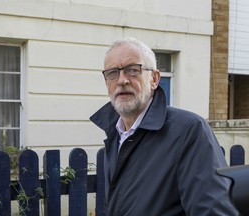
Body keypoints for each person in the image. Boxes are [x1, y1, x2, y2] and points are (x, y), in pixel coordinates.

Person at [90, 37, 239, 215]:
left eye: (132, 70)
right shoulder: (116, 135)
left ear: (154, 79)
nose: (122, 80)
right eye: (113, 73)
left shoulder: (188, 131)